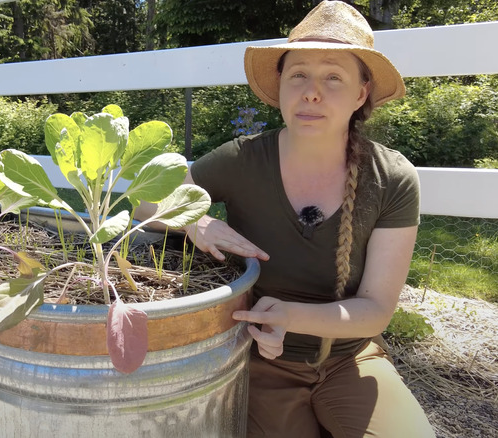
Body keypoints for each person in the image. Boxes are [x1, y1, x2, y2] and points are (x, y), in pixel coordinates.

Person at [137, 1, 435, 437]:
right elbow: (145, 207)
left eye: (333, 77)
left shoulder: (390, 178)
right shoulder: (241, 159)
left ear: (361, 93)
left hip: (351, 357)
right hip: (260, 358)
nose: (311, 92)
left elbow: (374, 311)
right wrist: (194, 221)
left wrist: (289, 316)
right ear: (279, 88)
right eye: (298, 75)